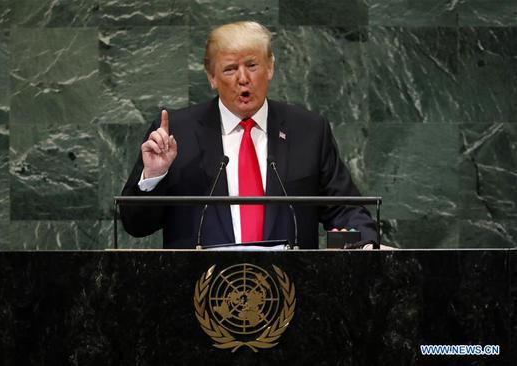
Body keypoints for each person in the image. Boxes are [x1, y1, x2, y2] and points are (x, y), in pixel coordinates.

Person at [120, 21, 377, 249]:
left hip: (288, 292)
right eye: (230, 69)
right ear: (211, 77)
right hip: (200, 292)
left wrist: (365, 245)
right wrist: (154, 177)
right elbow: (136, 226)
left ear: (270, 68)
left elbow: (346, 209)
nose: (243, 79)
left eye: (252, 65)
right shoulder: (176, 132)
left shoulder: (308, 130)